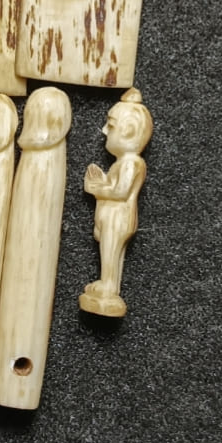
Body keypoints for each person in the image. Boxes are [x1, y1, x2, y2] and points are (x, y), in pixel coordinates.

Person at [79, 87, 153, 317]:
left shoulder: (131, 163)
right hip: (113, 216)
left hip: (117, 217)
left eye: (110, 126)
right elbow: (115, 187)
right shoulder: (123, 163)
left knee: (111, 250)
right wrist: (101, 181)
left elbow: (120, 192)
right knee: (110, 251)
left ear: (129, 130)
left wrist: (96, 188)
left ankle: (109, 285)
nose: (104, 130)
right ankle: (110, 286)